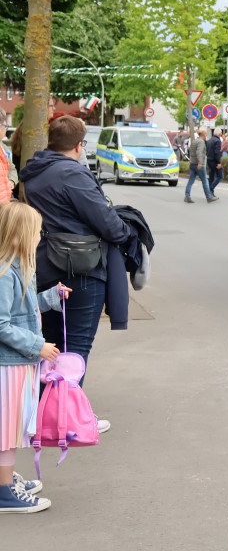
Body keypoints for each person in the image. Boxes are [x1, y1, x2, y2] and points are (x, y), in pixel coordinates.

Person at [21, 117, 132, 391]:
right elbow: (108, 223)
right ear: (79, 145)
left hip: (43, 264)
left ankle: (44, 409)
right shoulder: (72, 174)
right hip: (81, 269)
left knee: (50, 347)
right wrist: (125, 231)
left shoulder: (34, 171)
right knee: (75, 351)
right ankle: (65, 413)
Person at [0, 203, 66, 513]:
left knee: (10, 429)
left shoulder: (15, 268)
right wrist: (38, 345)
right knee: (8, 430)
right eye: (37, 231)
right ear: (21, 234)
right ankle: (3, 492)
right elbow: (2, 324)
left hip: (18, 363)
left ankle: (4, 480)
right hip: (9, 365)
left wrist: (51, 297)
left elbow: (22, 310)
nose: (40, 236)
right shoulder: (5, 273)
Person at [184, 128, 216, 203]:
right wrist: (200, 162)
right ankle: (209, 197)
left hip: (193, 163)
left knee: (191, 180)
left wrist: (192, 160)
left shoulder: (194, 141)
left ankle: (187, 196)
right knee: (204, 180)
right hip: (199, 164)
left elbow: (191, 151)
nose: (207, 134)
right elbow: (199, 152)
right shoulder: (201, 142)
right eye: (206, 133)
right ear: (203, 134)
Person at [206, 129, 224, 194]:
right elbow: (217, 153)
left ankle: (210, 193)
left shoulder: (209, 140)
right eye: (221, 133)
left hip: (209, 160)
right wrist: (219, 162)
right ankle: (210, 189)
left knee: (211, 177)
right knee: (220, 176)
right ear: (219, 133)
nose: (221, 134)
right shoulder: (218, 141)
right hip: (215, 161)